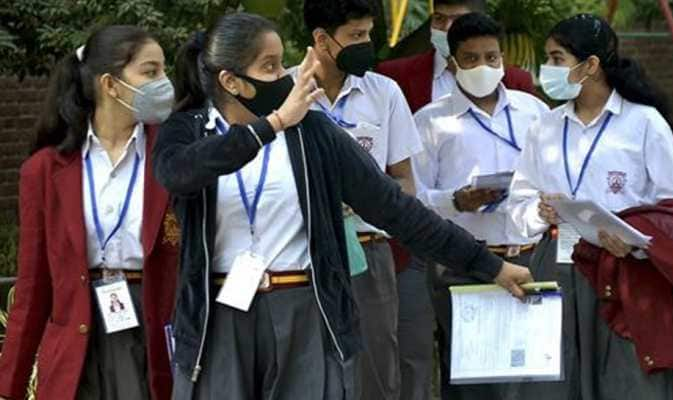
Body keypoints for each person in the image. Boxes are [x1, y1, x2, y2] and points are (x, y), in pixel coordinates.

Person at [154, 12, 533, 400]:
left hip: (303, 306)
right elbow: (179, 174)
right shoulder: (188, 130)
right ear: (231, 81)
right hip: (219, 314)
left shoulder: (313, 132)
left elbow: (397, 209)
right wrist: (273, 124)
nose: (284, 76)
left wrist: (489, 265)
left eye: (281, 61)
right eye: (269, 67)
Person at [507, 14, 673, 400]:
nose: (548, 69)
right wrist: (537, 213)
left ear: (590, 65)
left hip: (626, 271)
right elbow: (518, 202)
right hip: (557, 264)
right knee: (552, 383)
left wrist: (637, 243)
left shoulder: (643, 123)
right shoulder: (545, 126)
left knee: (626, 381)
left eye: (557, 58)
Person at [0, 25, 178, 400]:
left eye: (164, 70)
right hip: (75, 339)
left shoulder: (176, 156)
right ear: (110, 85)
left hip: (153, 333)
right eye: (150, 72)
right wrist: (9, 387)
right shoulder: (46, 170)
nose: (164, 83)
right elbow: (32, 288)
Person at [411, 13, 549, 400]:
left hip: (530, 258)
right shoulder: (430, 121)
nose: (484, 67)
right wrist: (455, 200)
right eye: (471, 59)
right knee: (473, 379)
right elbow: (414, 201)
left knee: (532, 374)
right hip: (464, 265)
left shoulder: (533, 113)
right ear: (452, 63)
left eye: (492, 57)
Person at [295, 1, 423, 399]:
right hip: (301, 255)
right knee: (306, 367)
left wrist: (367, 199)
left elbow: (405, 183)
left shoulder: (383, 92)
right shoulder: (286, 93)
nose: (366, 44)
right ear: (321, 39)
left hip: (368, 254)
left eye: (368, 34)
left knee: (375, 371)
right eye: (356, 36)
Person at [376, 0, 536, 114]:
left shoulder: (517, 82)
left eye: (458, 20)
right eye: (439, 19)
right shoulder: (395, 75)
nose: (447, 28)